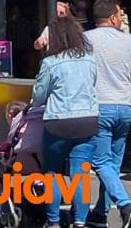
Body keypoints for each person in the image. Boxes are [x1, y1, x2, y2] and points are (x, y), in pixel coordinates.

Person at [31, 16, 99, 228]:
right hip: (87, 120)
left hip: (58, 122)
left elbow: (39, 95)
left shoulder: (51, 63)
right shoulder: (90, 58)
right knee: (80, 173)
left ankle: (53, 221)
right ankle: (80, 221)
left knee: (53, 172)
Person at [82, 0, 131, 228]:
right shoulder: (128, 41)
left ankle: (124, 203)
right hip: (126, 105)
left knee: (101, 162)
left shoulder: (86, 40)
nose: (122, 18)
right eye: (120, 14)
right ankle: (101, 211)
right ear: (113, 17)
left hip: (100, 105)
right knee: (113, 163)